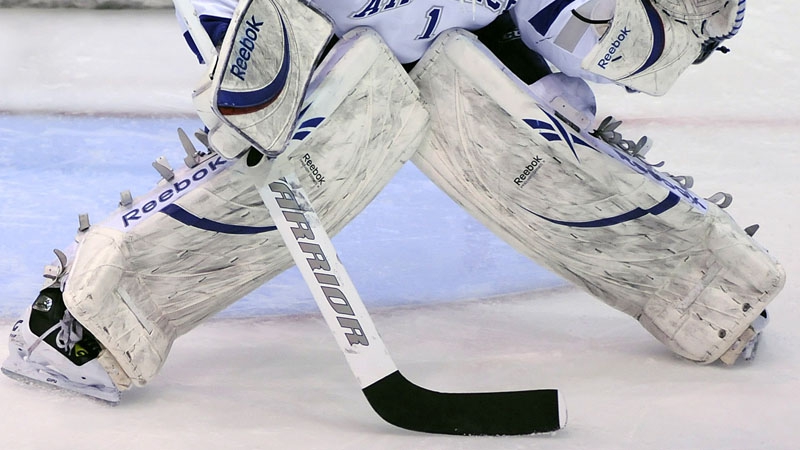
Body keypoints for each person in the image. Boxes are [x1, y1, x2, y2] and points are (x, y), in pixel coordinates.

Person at [3, 0, 782, 405]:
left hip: (477, 46)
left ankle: (694, 286)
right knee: (316, 126)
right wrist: (248, 63)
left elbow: (581, 28)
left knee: (500, 107)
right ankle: (90, 321)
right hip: (323, 55)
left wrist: (655, 23)